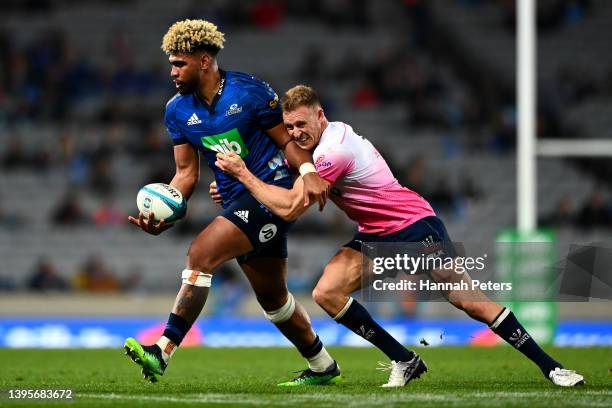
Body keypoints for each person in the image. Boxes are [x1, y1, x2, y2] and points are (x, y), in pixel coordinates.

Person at [213, 84, 585, 388]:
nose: (295, 134)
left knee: (470, 302)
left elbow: (291, 207)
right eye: (289, 128)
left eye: (301, 124)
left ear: (320, 114)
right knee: (327, 292)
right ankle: (404, 359)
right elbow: (290, 179)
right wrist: (238, 191)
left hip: (414, 228)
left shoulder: (332, 151)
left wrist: (244, 176)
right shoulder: (320, 146)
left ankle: (552, 368)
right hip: (375, 233)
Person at [125, 20, 340, 386]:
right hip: (236, 200)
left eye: (180, 63)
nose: (172, 71)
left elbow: (287, 143)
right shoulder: (176, 111)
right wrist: (167, 211)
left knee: (200, 254)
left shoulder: (251, 92)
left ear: (204, 60)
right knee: (274, 300)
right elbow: (185, 174)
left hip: (271, 191)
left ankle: (162, 350)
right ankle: (323, 366)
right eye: (171, 64)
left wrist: (307, 172)